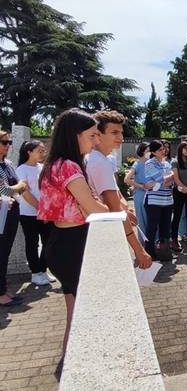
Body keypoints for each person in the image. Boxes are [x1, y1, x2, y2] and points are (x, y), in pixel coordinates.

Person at [37, 109, 109, 354]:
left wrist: (91, 203)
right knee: (85, 316)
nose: (96, 141)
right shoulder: (68, 167)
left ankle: (69, 365)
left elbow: (87, 205)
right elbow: (94, 208)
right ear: (74, 136)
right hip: (74, 245)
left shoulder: (54, 165)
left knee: (74, 315)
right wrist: (97, 204)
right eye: (91, 136)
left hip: (61, 241)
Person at [86, 111, 152, 269]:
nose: (120, 137)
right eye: (114, 132)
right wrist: (138, 250)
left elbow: (114, 191)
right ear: (98, 134)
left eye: (121, 132)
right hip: (105, 230)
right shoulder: (98, 162)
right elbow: (114, 209)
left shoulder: (99, 159)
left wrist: (125, 207)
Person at [16, 140, 55, 286]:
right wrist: (41, 209)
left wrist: (48, 209)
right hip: (28, 213)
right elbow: (25, 193)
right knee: (32, 243)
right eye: (39, 150)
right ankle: (35, 272)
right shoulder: (21, 169)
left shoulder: (42, 167)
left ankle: (43, 270)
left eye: (43, 150)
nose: (43, 153)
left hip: (45, 212)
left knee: (48, 242)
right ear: (29, 152)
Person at [0, 130, 28, 306]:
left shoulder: (8, 163)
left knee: (5, 252)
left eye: (9, 142)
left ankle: (3, 289)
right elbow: (6, 190)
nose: (8, 145)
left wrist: (16, 187)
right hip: (3, 212)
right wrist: (17, 186)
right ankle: (1, 294)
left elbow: (20, 187)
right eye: (4, 142)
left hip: (10, 212)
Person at [143, 140, 174, 259]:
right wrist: (167, 178)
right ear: (154, 152)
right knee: (152, 228)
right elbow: (161, 179)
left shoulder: (166, 163)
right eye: (160, 149)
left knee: (165, 228)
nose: (164, 151)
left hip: (167, 200)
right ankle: (150, 253)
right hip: (153, 201)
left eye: (164, 149)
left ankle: (164, 252)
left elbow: (170, 182)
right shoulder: (149, 163)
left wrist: (159, 182)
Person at [171, 142, 187, 249]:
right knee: (177, 216)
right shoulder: (175, 161)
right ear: (180, 149)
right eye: (185, 148)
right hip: (179, 191)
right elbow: (176, 179)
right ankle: (174, 240)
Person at [124, 142, 151, 244]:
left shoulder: (151, 163)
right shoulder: (137, 164)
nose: (149, 152)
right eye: (148, 150)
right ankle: (143, 243)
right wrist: (141, 186)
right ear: (143, 150)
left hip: (151, 195)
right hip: (140, 195)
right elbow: (126, 179)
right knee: (142, 220)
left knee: (151, 219)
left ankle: (152, 242)